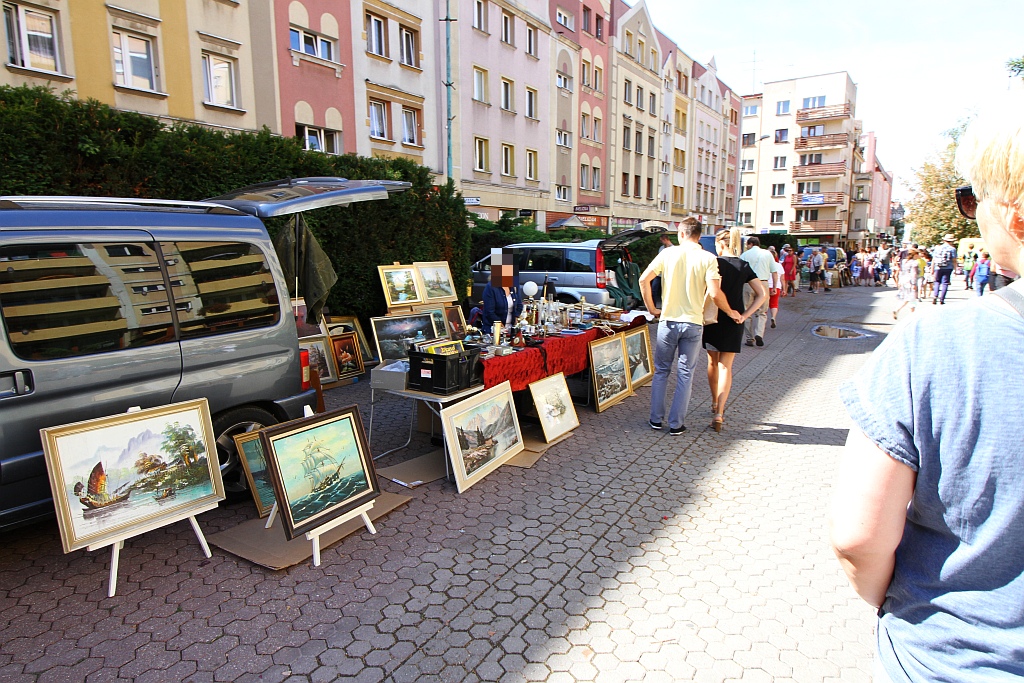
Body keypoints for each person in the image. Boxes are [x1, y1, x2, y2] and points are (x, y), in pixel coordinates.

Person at [829, 94, 1024, 683]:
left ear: (1015, 216)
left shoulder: (938, 343)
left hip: (951, 654)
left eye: (971, 199)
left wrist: (892, 599)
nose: (970, 215)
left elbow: (858, 537)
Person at [640, 217, 739, 435]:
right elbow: (714, 293)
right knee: (685, 373)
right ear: (700, 236)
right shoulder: (708, 258)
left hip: (668, 320)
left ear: (680, 233)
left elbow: (643, 280)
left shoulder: (666, 253)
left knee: (661, 372)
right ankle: (676, 424)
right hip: (693, 323)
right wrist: (730, 311)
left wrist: (652, 309)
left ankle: (656, 420)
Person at [702, 229, 767, 432]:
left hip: (713, 318)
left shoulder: (715, 264)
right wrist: (745, 315)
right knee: (726, 367)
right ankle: (720, 412)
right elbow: (762, 294)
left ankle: (713, 402)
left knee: (712, 361)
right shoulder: (743, 265)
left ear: (720, 244)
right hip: (735, 320)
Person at [739, 235, 774, 346]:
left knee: (747, 311)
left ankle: (750, 338)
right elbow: (774, 270)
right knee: (762, 311)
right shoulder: (768, 254)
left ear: (750, 244)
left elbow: (740, 271)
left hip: (748, 284)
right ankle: (759, 333)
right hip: (763, 283)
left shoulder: (744, 255)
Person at [481, 248, 523, 334]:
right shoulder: (490, 287)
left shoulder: (515, 285)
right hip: (494, 330)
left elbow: (519, 305)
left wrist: (516, 317)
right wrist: (501, 326)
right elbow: (490, 312)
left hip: (511, 329)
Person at [892, 249, 919, 319]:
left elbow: (902, 271)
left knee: (906, 297)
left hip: (904, 280)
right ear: (914, 255)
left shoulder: (904, 261)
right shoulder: (914, 263)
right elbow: (914, 273)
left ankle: (897, 309)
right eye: (917, 254)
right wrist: (914, 283)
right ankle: (912, 314)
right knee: (912, 297)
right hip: (910, 281)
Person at [931, 233, 957, 304]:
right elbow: (954, 260)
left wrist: (932, 269)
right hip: (948, 267)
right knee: (945, 283)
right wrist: (955, 270)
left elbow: (934, 259)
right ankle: (942, 299)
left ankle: (935, 296)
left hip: (938, 267)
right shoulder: (952, 249)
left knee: (937, 282)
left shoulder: (938, 248)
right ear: (952, 241)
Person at [650, 233, 673, 307]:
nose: (661, 242)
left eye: (662, 240)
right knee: (654, 289)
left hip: (667, 274)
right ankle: (654, 306)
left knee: (666, 291)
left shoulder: (673, 249)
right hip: (659, 273)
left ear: (665, 239)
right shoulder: (661, 248)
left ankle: (666, 306)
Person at [768, 248, 784, 328]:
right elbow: (782, 278)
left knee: (763, 305)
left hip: (766, 286)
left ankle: (762, 322)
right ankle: (773, 317)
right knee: (774, 304)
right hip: (776, 286)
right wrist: (784, 289)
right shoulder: (779, 265)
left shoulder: (765, 264)